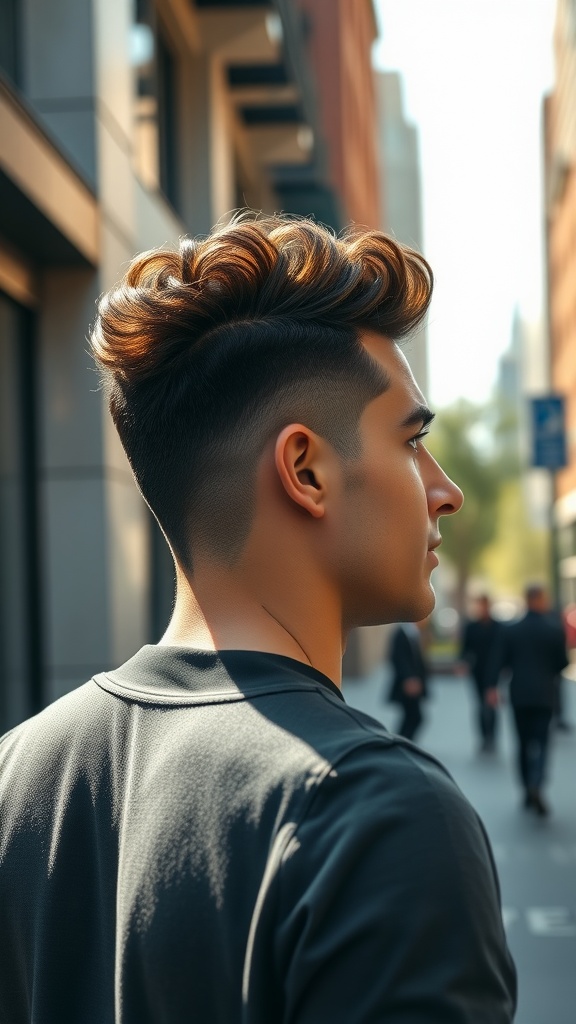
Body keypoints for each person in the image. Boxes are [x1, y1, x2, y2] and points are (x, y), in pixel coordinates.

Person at [0, 215, 516, 1022]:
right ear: (306, 469)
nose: (444, 488)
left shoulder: (15, 775)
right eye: (412, 441)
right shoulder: (377, 817)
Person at [492, 583, 569, 817]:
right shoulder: (553, 629)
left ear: (526, 600)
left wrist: (492, 687)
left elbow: (500, 661)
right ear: (542, 599)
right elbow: (562, 663)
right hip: (545, 695)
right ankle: (537, 781)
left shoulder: (512, 630)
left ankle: (526, 788)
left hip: (520, 695)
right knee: (542, 742)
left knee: (523, 744)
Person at [458, 594, 502, 752]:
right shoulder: (472, 627)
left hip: (494, 671)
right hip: (477, 671)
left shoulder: (498, 627)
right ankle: (484, 737)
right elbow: (464, 648)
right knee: (480, 705)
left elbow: (503, 650)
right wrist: (462, 662)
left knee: (491, 703)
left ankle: (492, 737)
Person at [387, 618, 430, 741]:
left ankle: (402, 743)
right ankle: (400, 743)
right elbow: (398, 659)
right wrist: (409, 678)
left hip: (414, 683)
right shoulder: (401, 634)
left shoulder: (414, 633)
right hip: (407, 685)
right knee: (414, 717)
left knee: (412, 717)